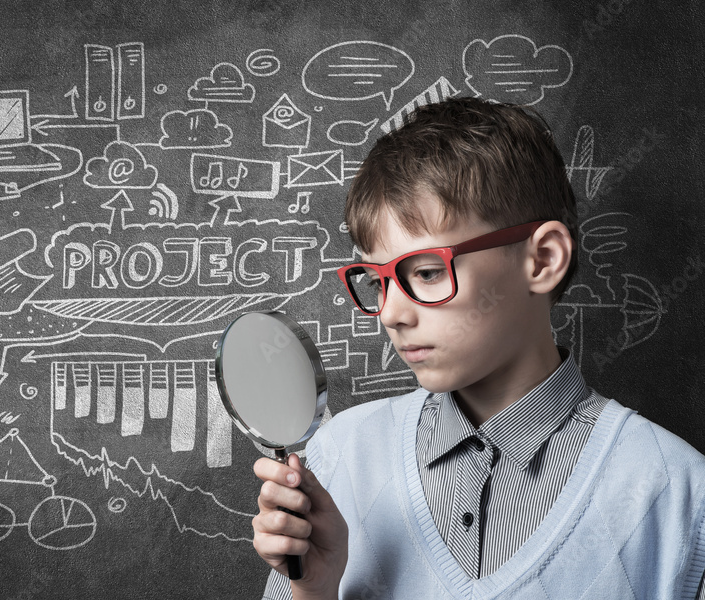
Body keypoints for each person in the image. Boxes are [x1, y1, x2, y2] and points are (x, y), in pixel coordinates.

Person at [252, 97, 705, 599]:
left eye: (426, 272)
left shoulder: (672, 491)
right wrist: (314, 590)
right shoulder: (341, 457)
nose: (390, 313)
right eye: (377, 282)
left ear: (542, 259)